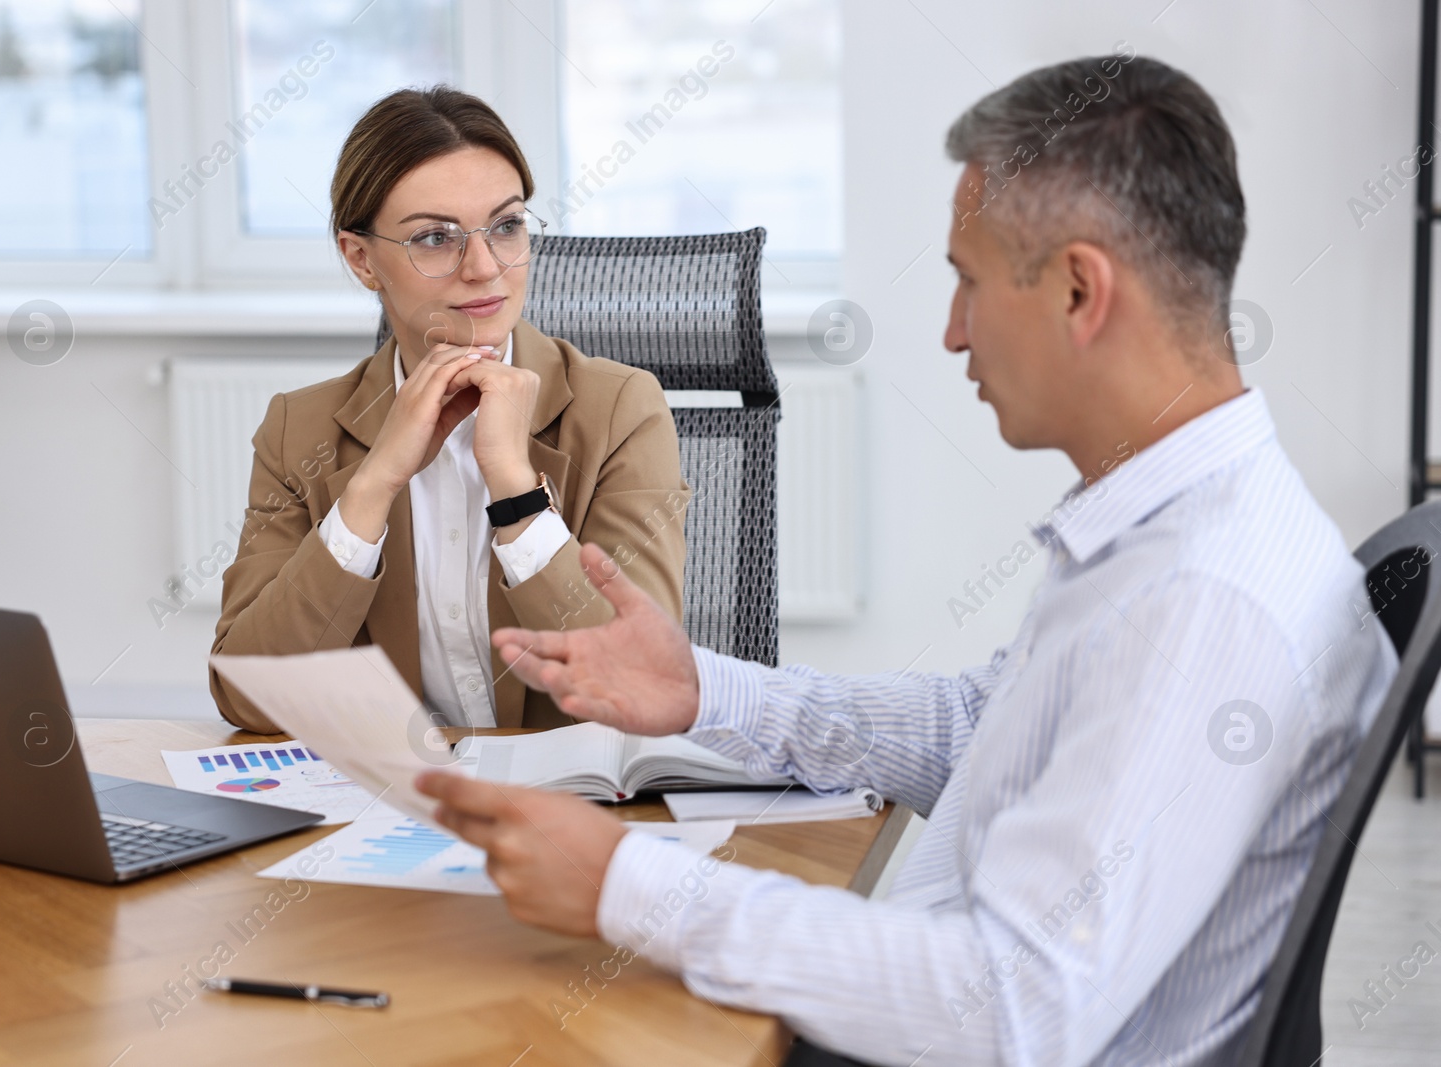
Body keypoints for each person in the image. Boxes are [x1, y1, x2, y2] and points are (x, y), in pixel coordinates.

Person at [416, 54, 1398, 1065]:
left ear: (1077, 289)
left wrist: (628, 883)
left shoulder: (1201, 595)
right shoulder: (1169, 528)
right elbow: (984, 730)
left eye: (967, 283)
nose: (951, 331)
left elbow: (1006, 1008)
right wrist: (705, 687)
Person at [212, 87, 688, 733]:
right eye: (435, 237)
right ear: (361, 259)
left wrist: (513, 486)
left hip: (575, 811)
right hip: (393, 805)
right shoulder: (300, 430)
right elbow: (250, 697)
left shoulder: (619, 409)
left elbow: (639, 685)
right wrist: (374, 481)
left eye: (507, 226)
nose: (485, 267)